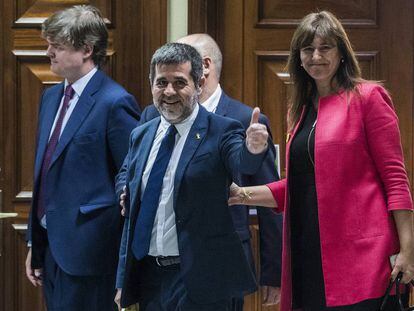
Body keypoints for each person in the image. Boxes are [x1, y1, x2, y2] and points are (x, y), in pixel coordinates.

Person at [229, 10, 414, 311]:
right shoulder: (302, 111)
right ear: (298, 57)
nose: (316, 56)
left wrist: (409, 249)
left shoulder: (368, 98)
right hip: (309, 256)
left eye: (325, 47)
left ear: (341, 52)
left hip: (364, 259)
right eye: (308, 49)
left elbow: (395, 178)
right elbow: (303, 186)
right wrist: (241, 194)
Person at [114, 42, 269, 310]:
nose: (169, 91)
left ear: (198, 85)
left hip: (201, 280)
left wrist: (254, 148)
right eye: (161, 82)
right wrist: (121, 280)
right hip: (151, 277)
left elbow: (242, 162)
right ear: (151, 83)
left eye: (179, 82)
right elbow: (129, 195)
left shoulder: (221, 129)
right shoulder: (142, 134)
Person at [25, 5, 140, 310]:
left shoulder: (115, 102)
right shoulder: (50, 97)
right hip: (50, 249)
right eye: (49, 44)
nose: (49, 52)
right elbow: (45, 172)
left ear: (87, 49)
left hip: (90, 253)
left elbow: (130, 174)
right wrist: (34, 241)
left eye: (58, 46)